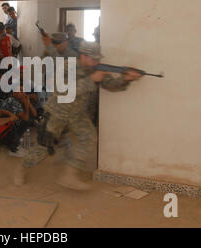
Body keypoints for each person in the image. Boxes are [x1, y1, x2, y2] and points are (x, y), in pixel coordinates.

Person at [14, 42, 143, 189]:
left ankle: (69, 175)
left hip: (76, 114)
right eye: (93, 59)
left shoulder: (93, 69)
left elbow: (110, 85)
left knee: (89, 137)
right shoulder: (68, 66)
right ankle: (23, 167)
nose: (96, 62)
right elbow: (63, 90)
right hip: (57, 113)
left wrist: (126, 79)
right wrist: (92, 79)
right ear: (83, 56)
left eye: (97, 59)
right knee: (43, 147)